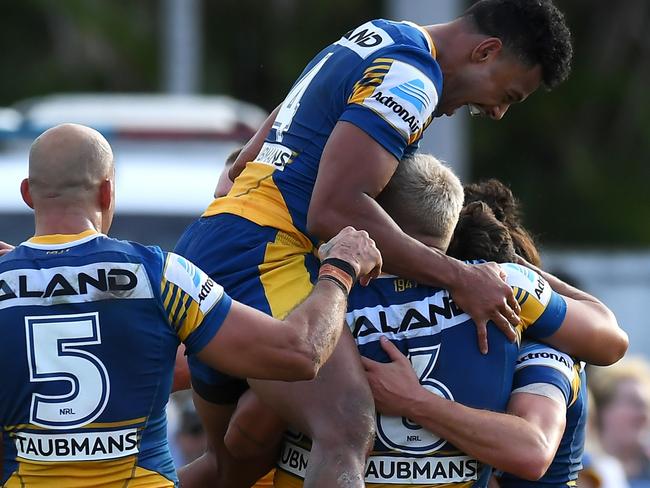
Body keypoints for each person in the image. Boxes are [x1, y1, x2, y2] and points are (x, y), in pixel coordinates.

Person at [176, 1, 573, 485]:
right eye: (506, 93)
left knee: (230, 470)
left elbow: (279, 121)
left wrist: (252, 164)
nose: (496, 111)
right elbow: (336, 209)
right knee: (344, 431)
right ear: (486, 51)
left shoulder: (380, 35)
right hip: (262, 256)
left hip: (221, 239)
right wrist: (460, 276)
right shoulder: (414, 77)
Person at [0, 123, 381, 487]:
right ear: (107, 193)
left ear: (27, 193)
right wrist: (339, 269)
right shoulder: (161, 274)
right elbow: (301, 352)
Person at [590, 358, 650, 488]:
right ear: (602, 410)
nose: (644, 416)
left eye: (646, 406)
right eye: (634, 403)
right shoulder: (582, 470)